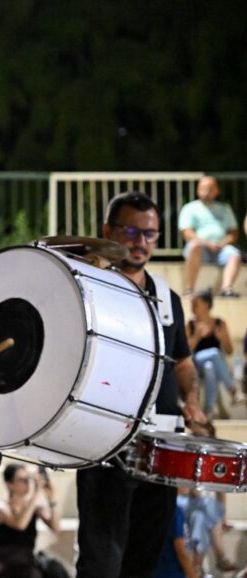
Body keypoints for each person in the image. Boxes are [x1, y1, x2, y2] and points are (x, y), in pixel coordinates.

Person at [74, 191, 205, 576]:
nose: (140, 242)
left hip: (160, 445)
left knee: (145, 557)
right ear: (107, 231)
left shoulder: (167, 296)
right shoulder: (89, 288)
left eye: (150, 234)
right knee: (102, 559)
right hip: (104, 442)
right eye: (131, 231)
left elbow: (183, 363)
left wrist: (192, 400)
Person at [0, 464, 60, 577]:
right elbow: (20, 525)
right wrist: (36, 493)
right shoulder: (2, 507)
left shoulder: (34, 508)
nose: (27, 483)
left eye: (28, 478)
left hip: (28, 564)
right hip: (5, 567)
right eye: (21, 480)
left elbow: (56, 528)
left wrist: (51, 500)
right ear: (9, 484)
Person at [179, 175, 241, 297]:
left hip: (221, 248)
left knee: (235, 254)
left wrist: (222, 243)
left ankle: (227, 289)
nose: (206, 192)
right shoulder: (190, 208)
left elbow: (234, 232)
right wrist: (207, 243)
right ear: (198, 190)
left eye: (210, 188)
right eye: (203, 188)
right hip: (200, 247)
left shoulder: (225, 208)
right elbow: (187, 232)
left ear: (217, 191)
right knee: (195, 246)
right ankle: (189, 289)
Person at [187, 289, 237, 418]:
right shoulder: (190, 325)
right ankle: (233, 390)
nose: (192, 307)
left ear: (206, 304)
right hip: (195, 364)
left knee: (210, 367)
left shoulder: (220, 323)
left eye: (196, 303)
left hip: (215, 367)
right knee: (214, 353)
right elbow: (185, 352)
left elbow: (229, 351)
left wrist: (222, 339)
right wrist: (197, 337)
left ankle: (209, 410)